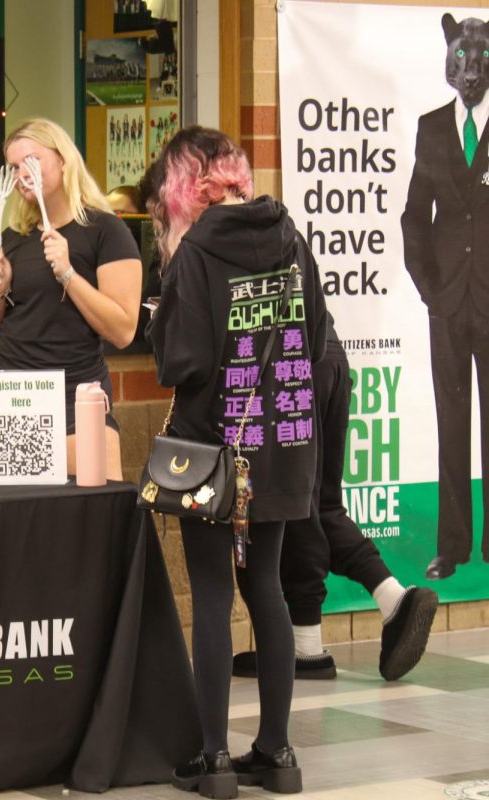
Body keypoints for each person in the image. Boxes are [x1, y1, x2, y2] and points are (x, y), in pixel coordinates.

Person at [144, 127, 328, 797]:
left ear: (183, 185)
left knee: (214, 595)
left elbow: (182, 364)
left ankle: (215, 757)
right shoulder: (289, 238)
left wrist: (162, 313)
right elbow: (316, 338)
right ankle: (277, 754)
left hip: (215, 453)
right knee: (268, 590)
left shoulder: (194, 252)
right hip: (284, 444)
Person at [232, 316, 439, 683]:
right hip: (328, 351)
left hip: (286, 362)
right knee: (322, 506)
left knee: (289, 505)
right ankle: (394, 599)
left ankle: (305, 645)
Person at [0, 118, 141, 479]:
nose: (22, 174)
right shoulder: (12, 237)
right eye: (14, 167)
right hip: (7, 400)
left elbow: (123, 330)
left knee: (88, 523)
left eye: (32, 161)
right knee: (5, 527)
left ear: (63, 160)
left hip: (72, 406)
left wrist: (67, 273)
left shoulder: (106, 232)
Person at [400, 13, 489, 581]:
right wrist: (429, 287)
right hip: (449, 304)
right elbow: (415, 217)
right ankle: (452, 546)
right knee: (450, 424)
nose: (471, 67)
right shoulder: (432, 128)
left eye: (480, 57)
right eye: (462, 57)